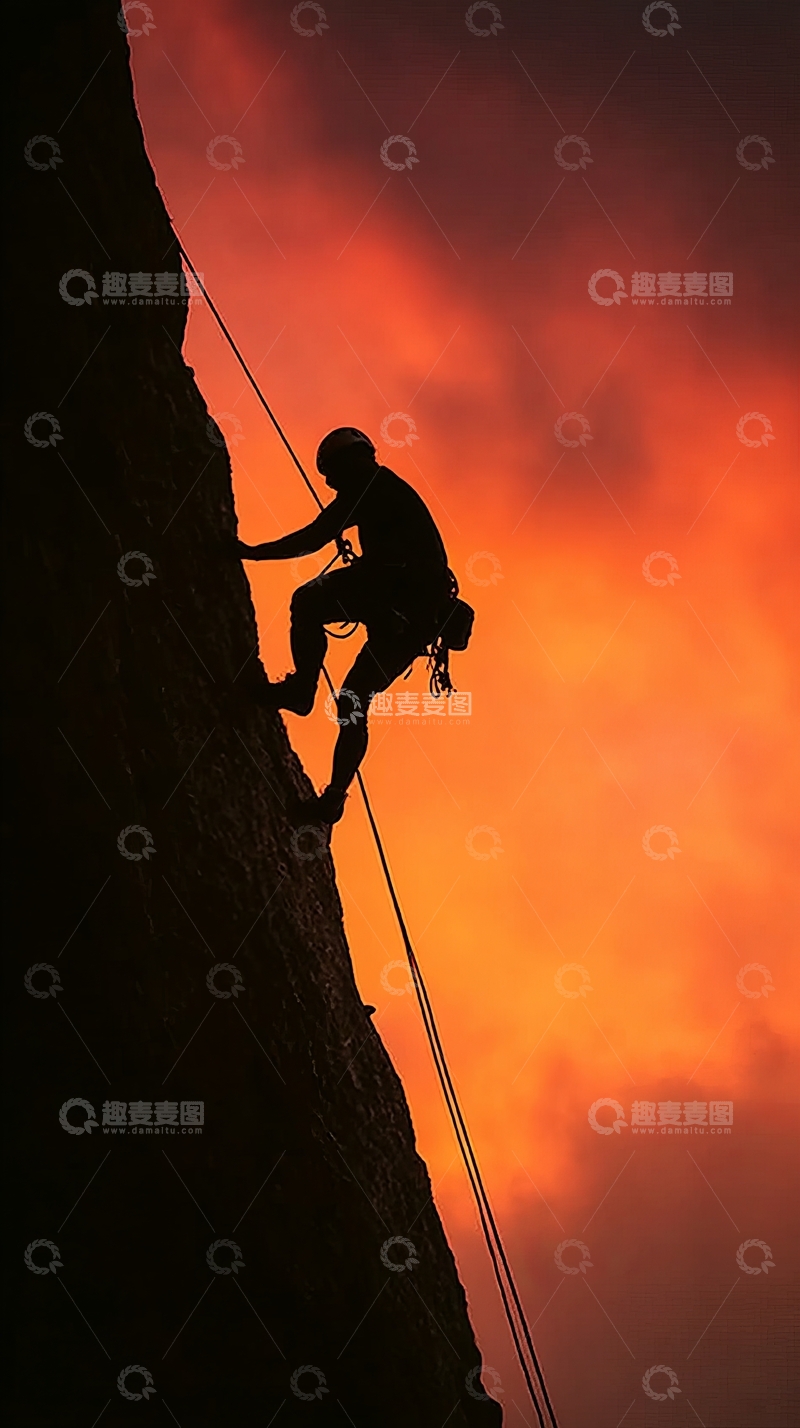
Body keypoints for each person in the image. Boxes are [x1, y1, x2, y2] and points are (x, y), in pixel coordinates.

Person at [236, 427, 454, 824]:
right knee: (354, 698)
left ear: (348, 463)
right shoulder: (383, 487)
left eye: (332, 475)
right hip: (413, 617)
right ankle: (333, 798)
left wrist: (252, 553)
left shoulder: (367, 487)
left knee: (308, 603)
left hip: (392, 602)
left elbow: (314, 536)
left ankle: (302, 689)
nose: (332, 485)